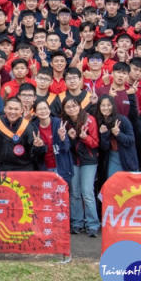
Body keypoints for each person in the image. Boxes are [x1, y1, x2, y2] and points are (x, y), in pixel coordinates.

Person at [61, 96, 99, 237]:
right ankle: (77, 223)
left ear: (79, 106)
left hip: (89, 160)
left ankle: (93, 224)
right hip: (73, 160)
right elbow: (64, 146)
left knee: (87, 192)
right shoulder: (64, 122)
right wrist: (68, 138)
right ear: (64, 109)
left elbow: (95, 143)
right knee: (75, 193)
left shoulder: (89, 119)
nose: (72, 109)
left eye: (74, 105)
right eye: (68, 107)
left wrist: (85, 137)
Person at [0, 96, 42, 171]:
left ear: (21, 110)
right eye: (10, 108)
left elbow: (36, 154)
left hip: (24, 168)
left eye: (16, 109)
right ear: (4, 109)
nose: (13, 112)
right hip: (1, 168)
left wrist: (38, 147)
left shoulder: (28, 126)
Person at [31, 98, 73, 185]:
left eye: (45, 108)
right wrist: (38, 147)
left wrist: (62, 138)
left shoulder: (58, 123)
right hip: (43, 168)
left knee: (61, 196)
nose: (43, 111)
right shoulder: (32, 127)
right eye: (40, 109)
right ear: (35, 112)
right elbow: (33, 154)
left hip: (60, 166)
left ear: (49, 110)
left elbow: (66, 148)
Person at [96, 94, 139, 178]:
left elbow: (131, 140)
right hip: (112, 156)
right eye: (103, 105)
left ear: (113, 106)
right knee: (113, 184)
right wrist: (103, 134)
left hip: (127, 156)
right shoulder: (99, 121)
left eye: (108, 105)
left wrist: (118, 134)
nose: (106, 108)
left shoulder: (122, 120)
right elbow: (104, 147)